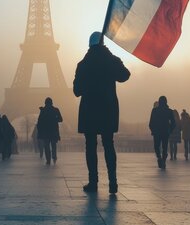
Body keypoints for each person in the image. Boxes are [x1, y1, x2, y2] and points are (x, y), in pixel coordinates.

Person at [73, 32, 130, 194]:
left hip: (89, 110)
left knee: (90, 146)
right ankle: (113, 183)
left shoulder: (83, 64)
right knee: (109, 145)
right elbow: (125, 75)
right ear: (103, 44)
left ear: (89, 44)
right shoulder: (111, 61)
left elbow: (77, 91)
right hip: (107, 109)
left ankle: (93, 182)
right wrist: (114, 60)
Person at [149, 96, 176, 169]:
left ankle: (159, 157)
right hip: (165, 131)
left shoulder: (154, 110)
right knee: (165, 147)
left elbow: (151, 122)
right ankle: (163, 160)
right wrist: (170, 130)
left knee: (156, 146)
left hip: (157, 131)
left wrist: (153, 130)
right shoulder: (169, 111)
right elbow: (173, 123)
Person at [37, 97, 63, 165]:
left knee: (46, 146)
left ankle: (48, 160)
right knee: (53, 145)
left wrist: (40, 131)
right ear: (52, 102)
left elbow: (39, 121)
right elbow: (60, 119)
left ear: (45, 103)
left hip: (45, 131)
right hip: (54, 131)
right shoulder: (56, 110)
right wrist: (54, 119)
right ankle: (54, 157)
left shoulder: (43, 110)